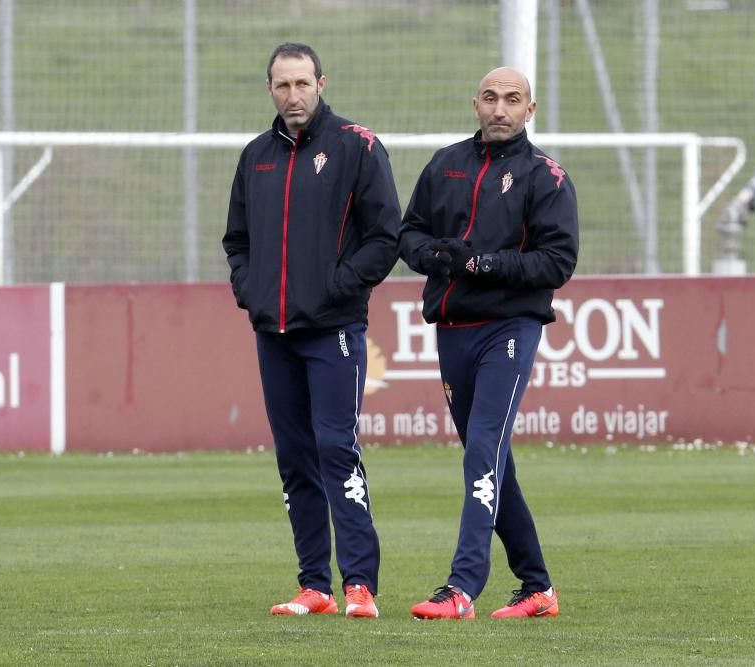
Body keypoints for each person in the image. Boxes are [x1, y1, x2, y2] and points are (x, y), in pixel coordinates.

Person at [223, 43, 400, 618]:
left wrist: (336, 288)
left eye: (302, 84)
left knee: (335, 449)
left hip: (335, 330)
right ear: (269, 89)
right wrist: (250, 292)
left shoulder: (357, 146)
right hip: (272, 333)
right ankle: (314, 585)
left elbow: (384, 237)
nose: (293, 95)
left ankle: (359, 585)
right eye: (282, 85)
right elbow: (238, 241)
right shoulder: (255, 157)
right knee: (294, 456)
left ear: (321, 83)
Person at [399, 67, 578, 619]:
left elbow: (557, 261)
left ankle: (461, 588)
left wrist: (478, 262)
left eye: (513, 100)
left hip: (509, 329)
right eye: (491, 99)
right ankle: (538, 587)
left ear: (531, 109)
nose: (501, 109)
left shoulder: (546, 176)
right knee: (493, 458)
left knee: (482, 449)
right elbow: (409, 234)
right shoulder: (444, 163)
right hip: (452, 332)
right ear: (475, 104)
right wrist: (434, 257)